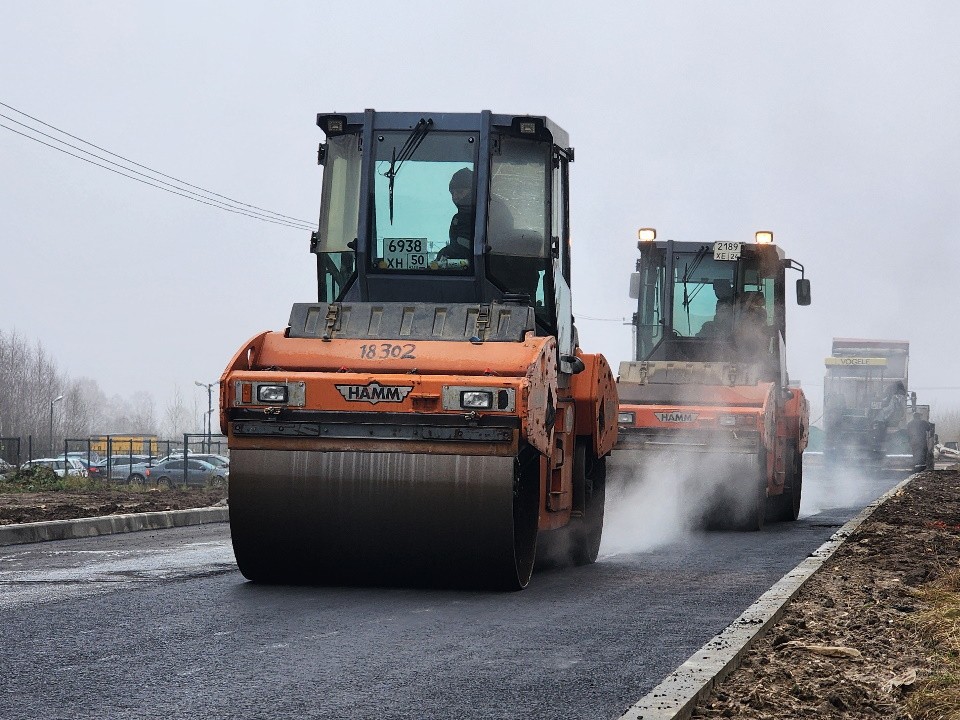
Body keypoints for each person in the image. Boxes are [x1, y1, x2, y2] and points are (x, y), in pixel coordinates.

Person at [436, 167, 475, 264]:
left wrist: (446, 253)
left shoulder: (480, 216)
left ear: (473, 191)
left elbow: (465, 248)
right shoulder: (461, 217)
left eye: (460, 192)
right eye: (452, 193)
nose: (455, 197)